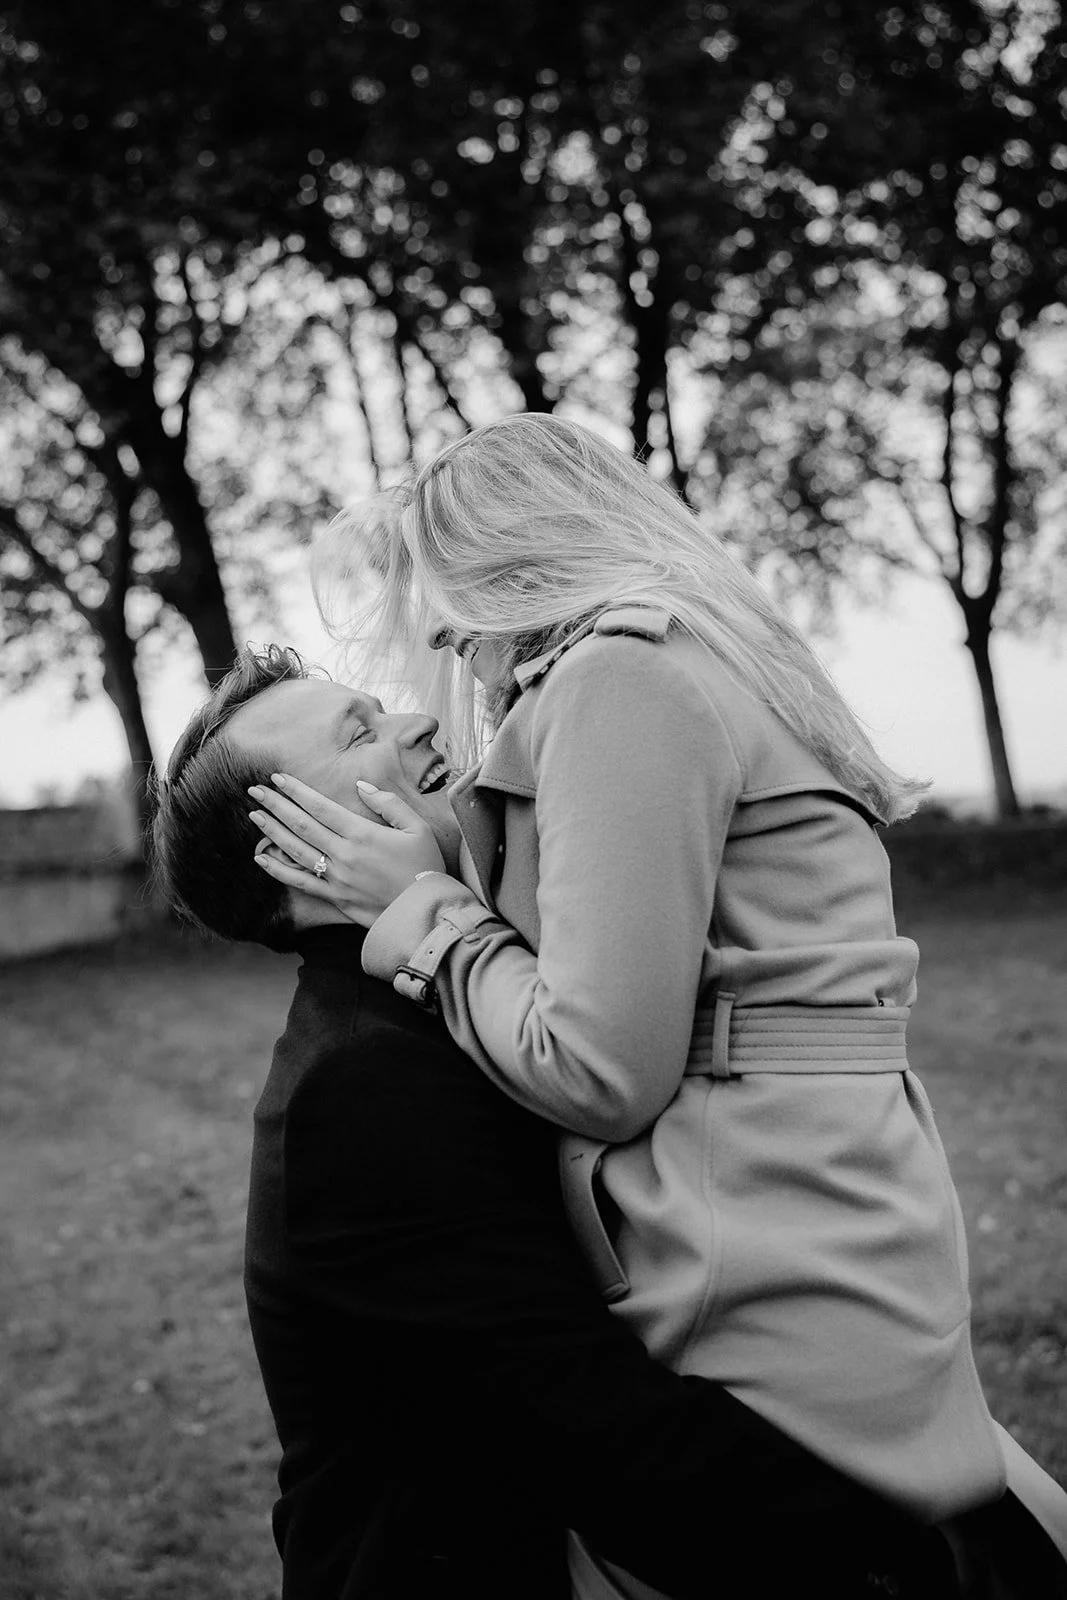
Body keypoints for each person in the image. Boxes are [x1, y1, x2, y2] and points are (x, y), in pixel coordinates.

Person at [247, 414, 1067, 1597]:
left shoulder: (617, 674)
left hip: (752, 1219)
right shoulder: (700, 653)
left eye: (455, 619)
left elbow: (598, 1067)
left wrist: (422, 911)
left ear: (514, 567)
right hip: (815, 1185)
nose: (459, 663)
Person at [149, 644, 969, 1600]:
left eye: (382, 705)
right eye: (358, 734)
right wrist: (871, 1549)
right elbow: (571, 1413)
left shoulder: (448, 1000)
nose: (416, 722)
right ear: (294, 851)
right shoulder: (360, 1083)